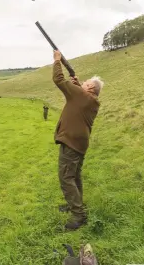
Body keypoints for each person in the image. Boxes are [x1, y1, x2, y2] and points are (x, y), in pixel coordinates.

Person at [52, 50, 103, 231]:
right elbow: (76, 96)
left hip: (71, 142)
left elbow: (58, 80)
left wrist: (57, 61)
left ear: (89, 89)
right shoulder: (90, 100)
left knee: (66, 177)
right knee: (74, 176)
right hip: (79, 143)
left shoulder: (82, 96)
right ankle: (75, 204)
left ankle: (78, 215)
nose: (83, 83)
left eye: (86, 83)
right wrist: (77, 84)